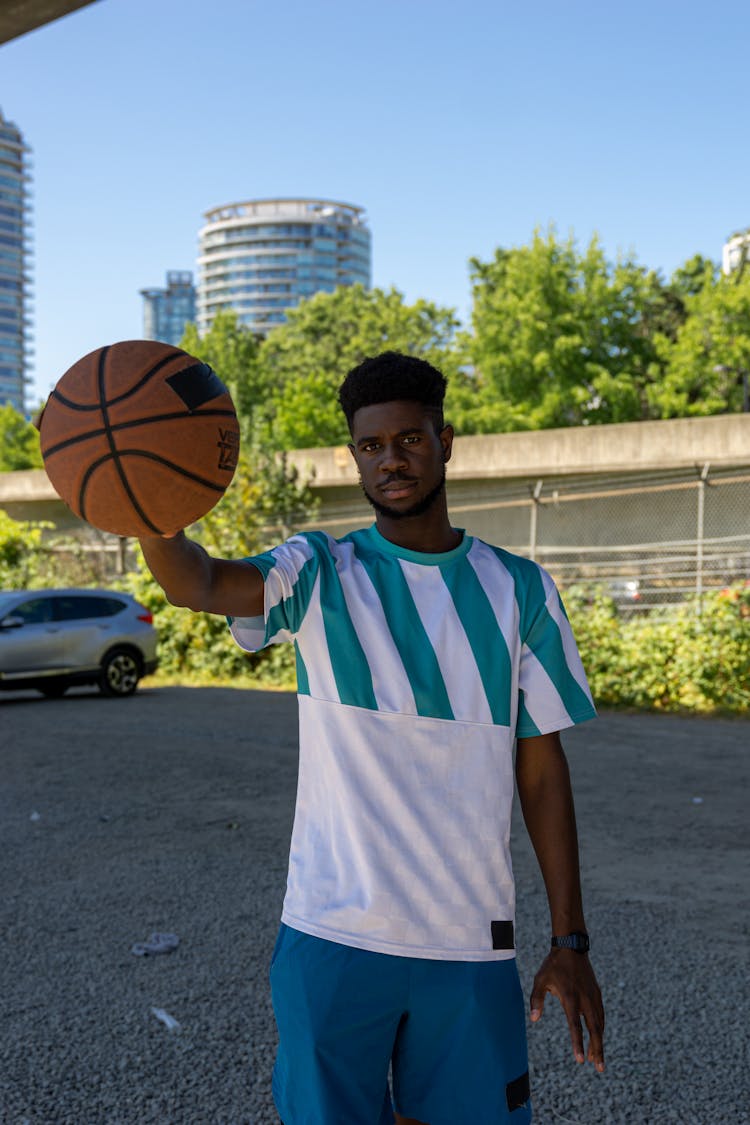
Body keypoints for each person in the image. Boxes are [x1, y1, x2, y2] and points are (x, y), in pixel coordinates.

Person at [139, 351, 605, 1125]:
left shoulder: (520, 589)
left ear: (445, 440)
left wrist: (571, 938)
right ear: (352, 455)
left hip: (467, 941)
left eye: (410, 440)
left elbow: (544, 774)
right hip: (334, 929)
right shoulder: (320, 570)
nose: (391, 459)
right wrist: (146, 503)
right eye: (371, 445)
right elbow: (196, 581)